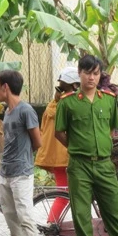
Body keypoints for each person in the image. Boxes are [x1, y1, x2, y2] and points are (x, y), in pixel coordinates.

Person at [54, 55, 118, 236]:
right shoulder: (67, 102)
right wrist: (78, 148)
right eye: (86, 73)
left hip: (104, 164)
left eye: (95, 73)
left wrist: (99, 148)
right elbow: (59, 133)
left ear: (99, 75)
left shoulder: (109, 99)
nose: (91, 78)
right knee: (81, 213)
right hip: (79, 165)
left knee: (115, 210)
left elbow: (111, 130)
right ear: (79, 74)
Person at [0, 70, 42, 236]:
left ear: (5, 87)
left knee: (25, 216)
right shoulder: (8, 111)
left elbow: (37, 141)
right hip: (5, 172)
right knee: (11, 217)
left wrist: (23, 158)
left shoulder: (25, 110)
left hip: (21, 173)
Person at [34, 67, 79, 226]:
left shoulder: (51, 106)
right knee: (71, 194)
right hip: (71, 156)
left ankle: (51, 227)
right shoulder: (71, 106)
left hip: (57, 159)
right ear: (75, 86)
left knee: (64, 194)